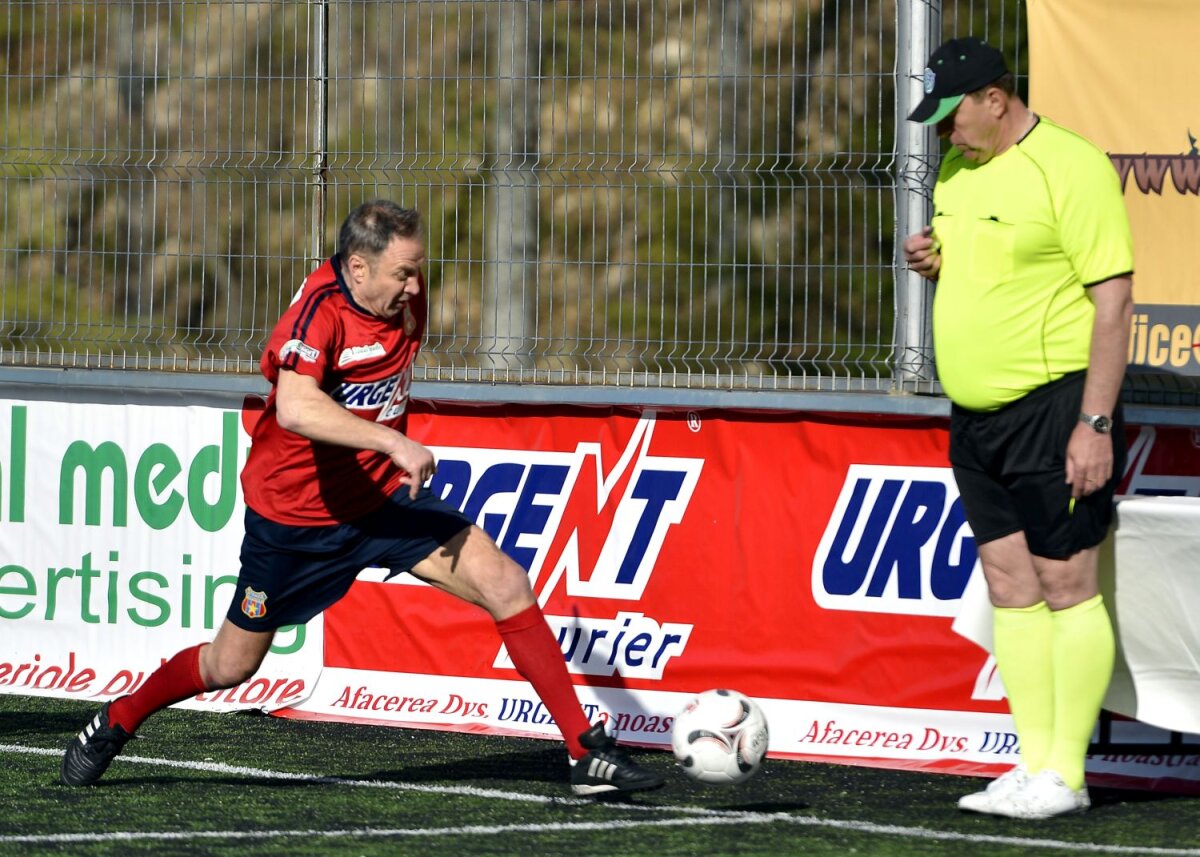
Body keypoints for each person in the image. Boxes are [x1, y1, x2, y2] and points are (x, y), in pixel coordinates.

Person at [60, 199, 664, 797]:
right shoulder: (318, 314)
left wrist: (385, 450)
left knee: (505, 582)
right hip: (295, 522)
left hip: (381, 503)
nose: (415, 285)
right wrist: (391, 441)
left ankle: (585, 752)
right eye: (402, 272)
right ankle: (117, 720)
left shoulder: (404, 299)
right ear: (356, 268)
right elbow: (295, 407)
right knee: (230, 666)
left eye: (418, 268)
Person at [903, 39, 1133, 819]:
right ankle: (1031, 759)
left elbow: (1114, 301)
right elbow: (991, 264)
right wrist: (935, 261)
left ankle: (1066, 773)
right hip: (975, 416)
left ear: (996, 99)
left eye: (952, 116)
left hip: (1056, 406)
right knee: (1009, 584)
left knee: (1067, 584)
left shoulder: (1070, 166)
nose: (944, 134)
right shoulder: (958, 170)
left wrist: (1094, 422)